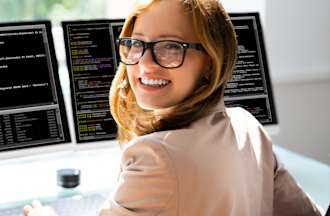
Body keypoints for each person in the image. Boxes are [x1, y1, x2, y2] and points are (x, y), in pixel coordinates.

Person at [24, 0, 323, 215]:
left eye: (170, 47)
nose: (144, 63)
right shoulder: (247, 125)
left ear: (210, 62)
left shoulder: (156, 157)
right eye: (137, 44)